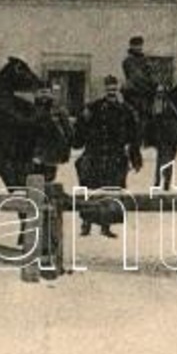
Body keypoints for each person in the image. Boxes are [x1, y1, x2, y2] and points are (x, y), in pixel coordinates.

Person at [75, 76, 143, 237]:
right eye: (109, 89)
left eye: (114, 89)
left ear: (117, 90)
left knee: (111, 192)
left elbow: (134, 136)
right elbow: (80, 130)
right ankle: (86, 224)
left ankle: (106, 226)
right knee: (91, 190)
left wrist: (135, 157)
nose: (111, 92)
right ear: (105, 90)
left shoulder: (125, 110)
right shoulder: (93, 108)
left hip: (115, 157)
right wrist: (82, 121)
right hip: (95, 155)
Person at [121, 35, 163, 118]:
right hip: (134, 94)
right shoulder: (128, 61)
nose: (139, 48)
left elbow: (152, 73)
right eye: (136, 45)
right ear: (131, 46)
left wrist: (157, 83)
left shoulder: (145, 60)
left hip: (147, 94)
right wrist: (151, 84)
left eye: (140, 45)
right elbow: (136, 77)